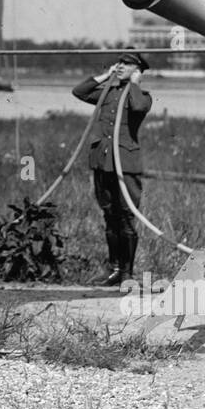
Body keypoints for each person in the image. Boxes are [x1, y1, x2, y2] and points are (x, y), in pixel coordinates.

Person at [71, 51, 152, 287]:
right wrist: (105, 76)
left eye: (126, 64)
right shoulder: (109, 92)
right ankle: (114, 269)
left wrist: (135, 83)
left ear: (137, 70)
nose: (120, 66)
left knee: (126, 217)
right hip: (102, 162)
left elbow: (137, 108)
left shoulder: (142, 96)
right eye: (119, 62)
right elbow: (79, 91)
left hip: (125, 165)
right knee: (109, 216)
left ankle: (127, 273)